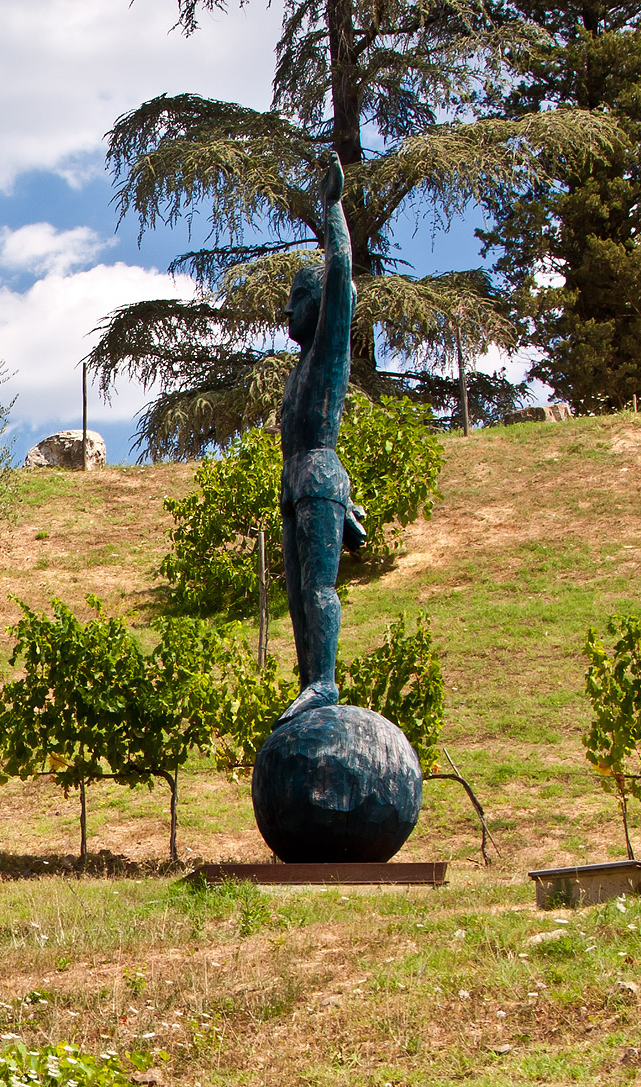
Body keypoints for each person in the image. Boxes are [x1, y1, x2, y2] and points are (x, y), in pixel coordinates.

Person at [276, 154, 368, 726]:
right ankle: (310, 681)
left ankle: (325, 683)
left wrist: (332, 207)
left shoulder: (329, 352)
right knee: (295, 605)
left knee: (317, 589)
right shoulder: (298, 370)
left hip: (319, 475)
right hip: (295, 483)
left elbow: (341, 276)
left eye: (298, 299)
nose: (288, 309)